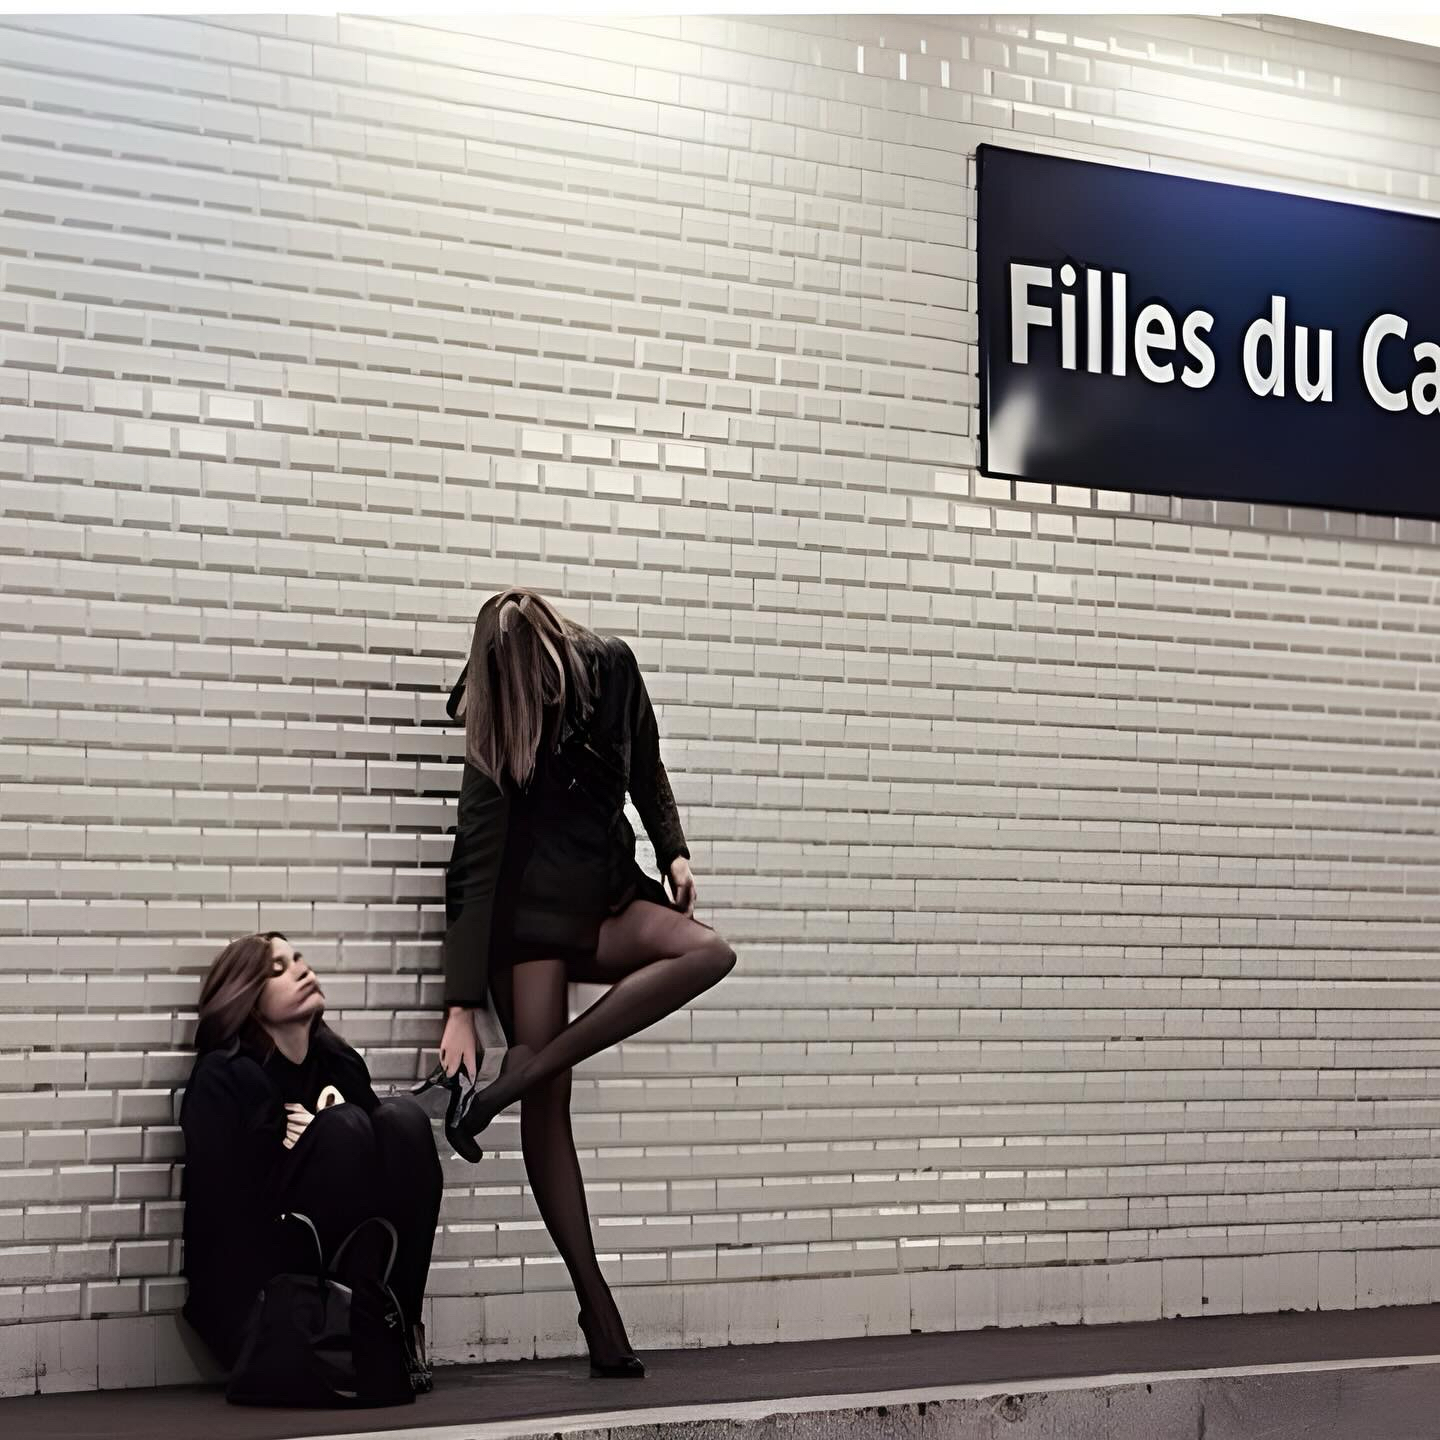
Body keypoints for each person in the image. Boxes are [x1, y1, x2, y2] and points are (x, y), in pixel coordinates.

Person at [424, 586, 737, 1378]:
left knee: (706, 954)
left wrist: (673, 850)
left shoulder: (613, 667)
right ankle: (597, 1306)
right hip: (527, 916)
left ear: (559, 657)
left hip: (603, 890)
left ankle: (514, 1078)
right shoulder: (493, 701)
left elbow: (647, 763)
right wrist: (460, 1006)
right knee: (550, 1107)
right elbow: (474, 856)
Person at [179, 931, 443, 1387]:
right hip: (258, 1304)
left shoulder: (338, 1065)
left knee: (403, 1121)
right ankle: (345, 1333)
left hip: (346, 1279)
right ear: (248, 998)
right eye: (278, 969)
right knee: (345, 1128)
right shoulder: (225, 1076)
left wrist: (330, 1135)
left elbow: (386, 1182)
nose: (301, 969)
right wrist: (287, 1143)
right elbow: (222, 1218)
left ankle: (397, 1333)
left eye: (299, 959)